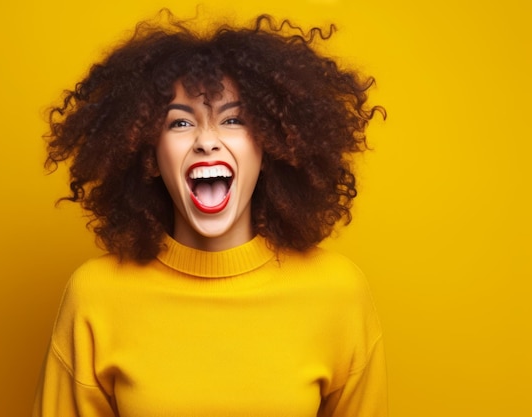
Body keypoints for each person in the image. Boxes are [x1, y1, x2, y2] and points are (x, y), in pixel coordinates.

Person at [33, 10, 387, 417]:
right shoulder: (95, 295)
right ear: (148, 152)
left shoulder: (338, 293)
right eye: (180, 123)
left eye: (233, 119)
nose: (206, 142)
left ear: (272, 146)